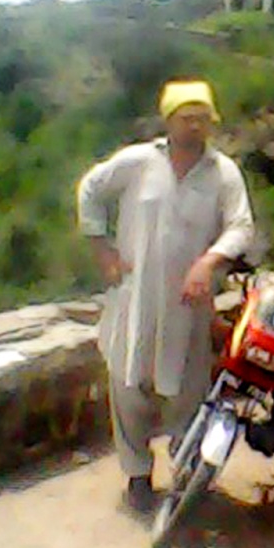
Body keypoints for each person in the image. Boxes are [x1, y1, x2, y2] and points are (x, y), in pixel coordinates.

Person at [77, 80, 254, 513]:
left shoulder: (222, 172)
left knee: (187, 393)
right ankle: (137, 475)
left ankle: (187, 477)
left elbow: (241, 226)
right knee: (128, 386)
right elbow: (90, 191)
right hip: (136, 298)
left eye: (202, 118)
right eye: (186, 118)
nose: (195, 127)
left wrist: (208, 262)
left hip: (188, 306)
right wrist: (102, 249)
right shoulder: (139, 162)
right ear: (168, 121)